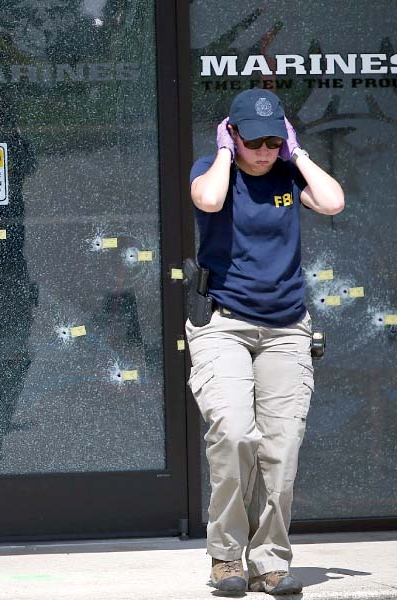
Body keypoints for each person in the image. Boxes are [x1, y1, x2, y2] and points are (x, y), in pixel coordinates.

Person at [187, 89, 344, 595]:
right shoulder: (214, 168)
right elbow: (208, 201)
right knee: (234, 434)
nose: (265, 150)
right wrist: (227, 155)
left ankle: (270, 560)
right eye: (254, 140)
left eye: (274, 139)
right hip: (224, 324)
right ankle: (226, 557)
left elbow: (332, 201)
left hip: (286, 328)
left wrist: (297, 154)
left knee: (282, 448)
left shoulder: (287, 170)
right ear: (231, 133)